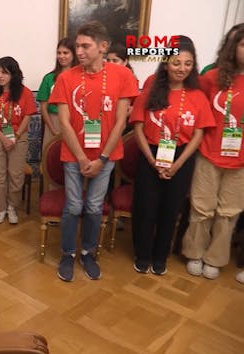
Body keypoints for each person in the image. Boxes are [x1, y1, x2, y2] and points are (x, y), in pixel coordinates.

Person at [48, 21, 139, 282]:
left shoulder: (123, 76)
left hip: (106, 155)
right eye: (77, 46)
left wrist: (101, 158)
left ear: (103, 46)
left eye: (85, 46)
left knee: (94, 206)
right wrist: (81, 157)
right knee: (74, 206)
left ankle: (88, 252)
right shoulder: (66, 77)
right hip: (73, 154)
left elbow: (122, 121)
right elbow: (63, 122)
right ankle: (67, 254)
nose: (79, 51)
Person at [129, 39, 215, 275]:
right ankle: (143, 254)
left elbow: (199, 133)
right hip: (151, 154)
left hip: (181, 157)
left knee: (170, 210)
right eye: (176, 62)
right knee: (146, 209)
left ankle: (160, 256)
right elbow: (137, 127)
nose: (182, 68)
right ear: (166, 63)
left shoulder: (197, 95)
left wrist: (177, 164)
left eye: (188, 63)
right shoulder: (150, 90)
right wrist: (151, 160)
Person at [182, 29, 244, 280]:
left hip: (240, 161)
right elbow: (195, 110)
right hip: (208, 153)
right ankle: (194, 253)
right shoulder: (212, 77)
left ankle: (215, 258)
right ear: (233, 47)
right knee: (201, 208)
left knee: (229, 213)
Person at [0, 57, 37, 225]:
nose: (0, 76)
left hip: (18, 137)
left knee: (16, 175)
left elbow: (28, 115)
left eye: (4, 72)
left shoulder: (24, 92)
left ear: (13, 73)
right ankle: (1, 208)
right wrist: (2, 137)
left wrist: (16, 136)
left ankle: (12, 207)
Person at [36, 38, 78, 145]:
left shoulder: (81, 77)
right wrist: (53, 130)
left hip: (75, 121)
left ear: (74, 54)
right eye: (59, 53)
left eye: (65, 53)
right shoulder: (49, 78)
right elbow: (43, 108)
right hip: (53, 121)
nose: (61, 56)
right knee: (51, 156)